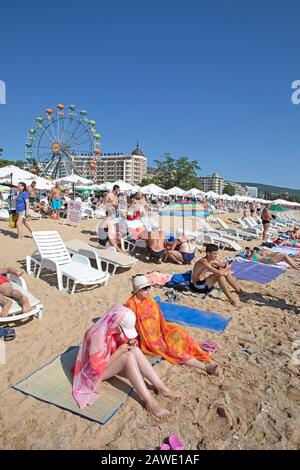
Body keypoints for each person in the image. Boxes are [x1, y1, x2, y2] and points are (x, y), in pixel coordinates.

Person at [72, 304, 180, 418]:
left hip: (106, 360)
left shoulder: (111, 323)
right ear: (117, 324)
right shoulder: (97, 336)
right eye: (123, 330)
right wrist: (119, 351)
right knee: (127, 357)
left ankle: (162, 388)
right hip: (91, 374)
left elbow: (115, 344)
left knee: (134, 350)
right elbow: (96, 369)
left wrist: (128, 344)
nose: (123, 334)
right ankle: (150, 402)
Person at [125, 275, 219, 375]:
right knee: (172, 349)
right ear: (138, 290)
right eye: (145, 288)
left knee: (180, 334)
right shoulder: (131, 305)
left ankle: (207, 359)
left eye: (149, 287)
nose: (148, 290)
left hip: (161, 329)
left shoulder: (148, 298)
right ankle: (205, 367)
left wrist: (162, 329)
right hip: (150, 338)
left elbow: (159, 316)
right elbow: (130, 325)